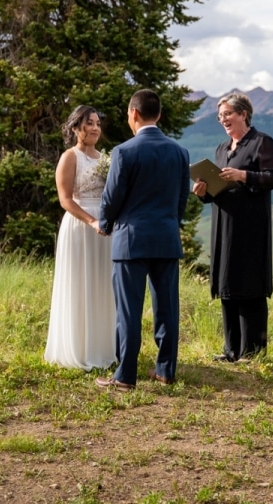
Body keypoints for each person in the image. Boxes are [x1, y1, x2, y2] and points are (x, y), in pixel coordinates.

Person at [95, 89, 190, 391]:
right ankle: (166, 370)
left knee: (129, 310)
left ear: (134, 114)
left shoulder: (124, 151)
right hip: (166, 238)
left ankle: (125, 375)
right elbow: (181, 200)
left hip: (131, 241)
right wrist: (170, 224)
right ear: (158, 115)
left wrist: (106, 223)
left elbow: (112, 197)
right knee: (167, 308)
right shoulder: (180, 152)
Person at [192, 92, 273, 362]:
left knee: (248, 284)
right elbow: (217, 190)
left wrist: (243, 175)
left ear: (243, 113)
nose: (223, 120)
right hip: (224, 224)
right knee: (228, 283)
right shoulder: (222, 149)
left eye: (228, 114)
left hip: (250, 226)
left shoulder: (261, 142)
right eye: (220, 116)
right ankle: (231, 350)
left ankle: (252, 352)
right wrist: (203, 192)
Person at [44, 105, 117, 371]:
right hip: (79, 226)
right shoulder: (70, 157)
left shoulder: (105, 159)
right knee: (79, 284)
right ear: (76, 127)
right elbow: (65, 199)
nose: (95, 128)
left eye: (98, 123)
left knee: (102, 285)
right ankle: (79, 349)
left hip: (106, 230)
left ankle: (104, 348)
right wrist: (92, 220)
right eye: (89, 123)